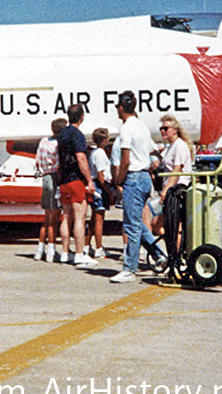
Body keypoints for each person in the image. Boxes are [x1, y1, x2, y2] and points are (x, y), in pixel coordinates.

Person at [110, 91, 167, 283]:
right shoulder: (141, 125)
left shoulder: (126, 128)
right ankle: (159, 255)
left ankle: (129, 268)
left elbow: (125, 159)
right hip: (145, 177)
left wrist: (118, 179)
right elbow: (154, 150)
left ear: (120, 107)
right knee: (137, 223)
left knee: (131, 225)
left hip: (133, 177)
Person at [56, 104, 96, 267]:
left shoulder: (62, 134)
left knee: (66, 216)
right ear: (82, 117)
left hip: (64, 180)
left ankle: (65, 252)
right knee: (80, 217)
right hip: (75, 179)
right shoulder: (77, 135)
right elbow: (81, 158)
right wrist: (89, 180)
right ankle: (79, 254)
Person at [156, 115, 192, 253]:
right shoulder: (170, 146)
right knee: (160, 225)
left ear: (175, 130)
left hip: (177, 189)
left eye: (166, 128)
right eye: (161, 129)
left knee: (174, 226)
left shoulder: (179, 146)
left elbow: (177, 170)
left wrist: (165, 190)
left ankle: (177, 255)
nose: (163, 131)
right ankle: (173, 253)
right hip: (171, 189)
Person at [33, 117, 66, 262]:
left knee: (46, 217)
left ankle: (39, 250)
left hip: (45, 178)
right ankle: (51, 251)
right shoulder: (59, 144)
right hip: (54, 178)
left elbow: (37, 161)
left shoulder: (43, 141)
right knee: (54, 219)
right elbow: (58, 165)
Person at [87, 128, 112, 259]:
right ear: (103, 140)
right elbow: (101, 176)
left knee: (93, 218)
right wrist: (109, 191)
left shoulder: (94, 152)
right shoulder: (101, 153)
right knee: (99, 219)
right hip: (100, 186)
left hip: (96, 184)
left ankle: (88, 245)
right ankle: (98, 248)